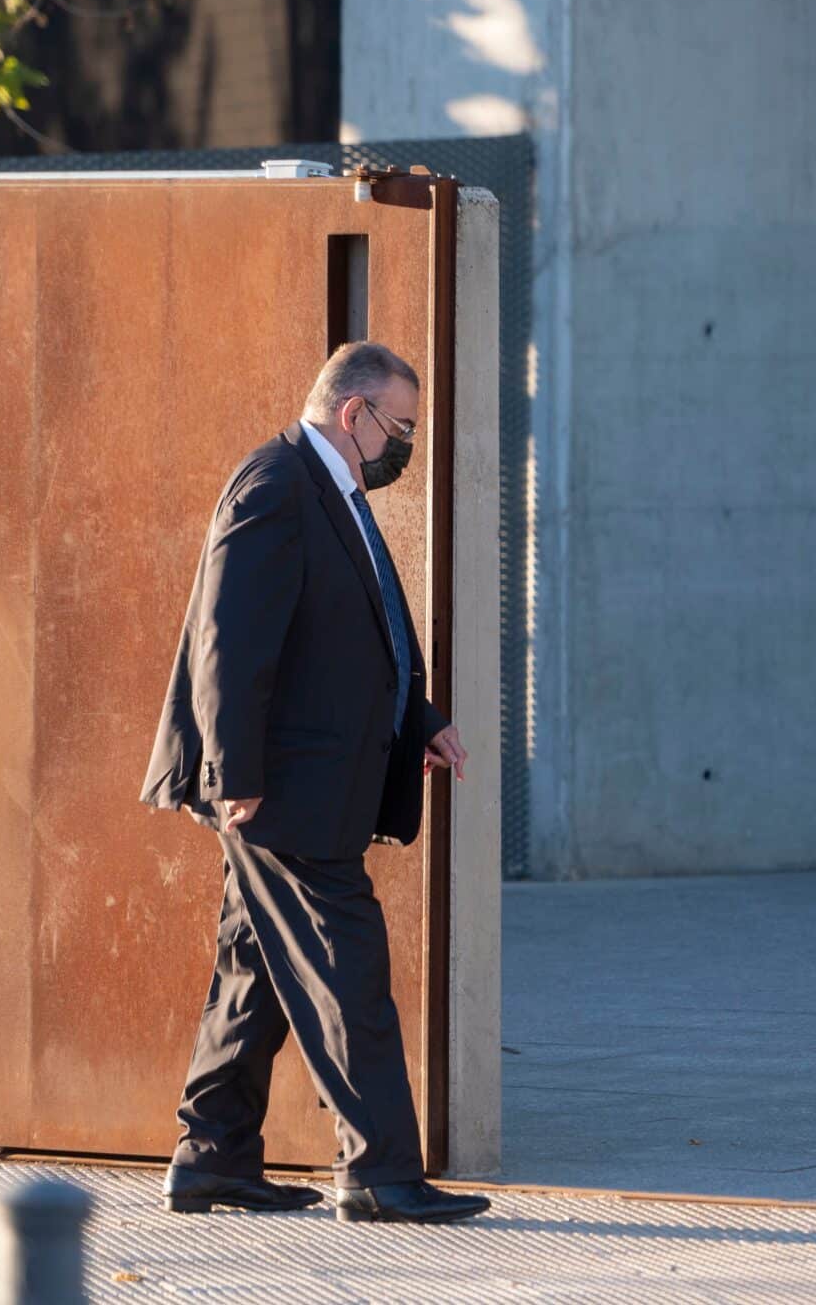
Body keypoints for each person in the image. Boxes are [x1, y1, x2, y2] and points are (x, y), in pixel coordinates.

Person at [141, 341, 490, 1224]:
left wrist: (422, 718)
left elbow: (348, 637)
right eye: (400, 424)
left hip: (304, 781)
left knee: (253, 968)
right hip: (282, 789)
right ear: (355, 414)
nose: (405, 441)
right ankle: (379, 1174)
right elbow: (230, 642)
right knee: (348, 970)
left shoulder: (331, 493)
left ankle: (212, 1155)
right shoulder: (276, 485)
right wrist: (234, 775)